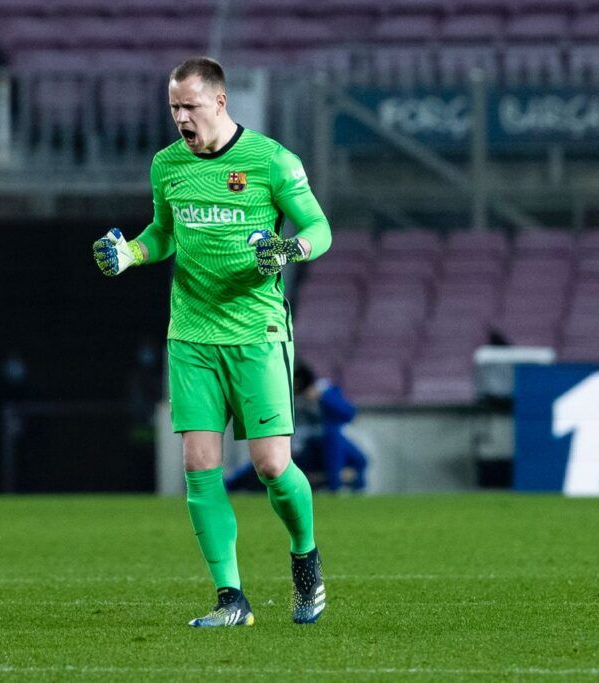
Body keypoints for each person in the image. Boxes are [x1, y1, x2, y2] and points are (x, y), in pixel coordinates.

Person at [92, 57, 330, 626]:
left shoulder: (272, 161)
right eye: (173, 107)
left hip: (256, 330)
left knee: (272, 467)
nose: (180, 117)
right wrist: (130, 254)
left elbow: (318, 229)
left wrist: (289, 250)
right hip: (192, 333)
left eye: (189, 106)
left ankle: (306, 562)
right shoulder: (168, 165)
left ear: (220, 103)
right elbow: (163, 234)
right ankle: (232, 599)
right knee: (199, 465)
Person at [226, 361, 367, 493]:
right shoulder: (284, 397)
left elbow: (349, 414)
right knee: (265, 463)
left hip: (329, 448)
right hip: (303, 450)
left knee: (355, 455)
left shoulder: (324, 391)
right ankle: (228, 486)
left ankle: (348, 492)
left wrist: (323, 397)